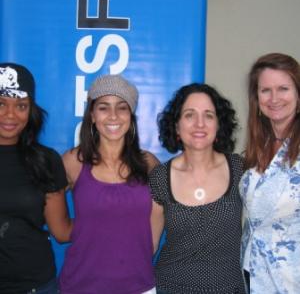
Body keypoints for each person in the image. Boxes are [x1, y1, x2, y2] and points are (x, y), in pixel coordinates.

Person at [59, 74, 159, 294]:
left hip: (139, 286)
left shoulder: (148, 163)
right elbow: (54, 222)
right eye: (103, 107)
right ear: (92, 115)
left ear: (131, 115)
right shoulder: (73, 162)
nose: (113, 116)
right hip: (81, 286)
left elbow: (159, 216)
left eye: (122, 107)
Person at [150, 83, 246, 294]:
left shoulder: (240, 169)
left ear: (219, 125)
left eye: (209, 115)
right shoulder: (160, 177)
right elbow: (150, 245)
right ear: (176, 126)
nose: (199, 124)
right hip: (170, 288)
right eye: (190, 115)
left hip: (230, 289)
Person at [0, 63, 72, 294]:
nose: (10, 114)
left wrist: (112, 218)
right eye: (1, 104)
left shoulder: (46, 160)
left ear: (30, 111)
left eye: (21, 106)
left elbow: (61, 232)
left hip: (35, 286)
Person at [239, 52, 300, 293]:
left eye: (283, 88)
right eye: (265, 90)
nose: (274, 98)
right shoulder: (258, 147)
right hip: (251, 273)